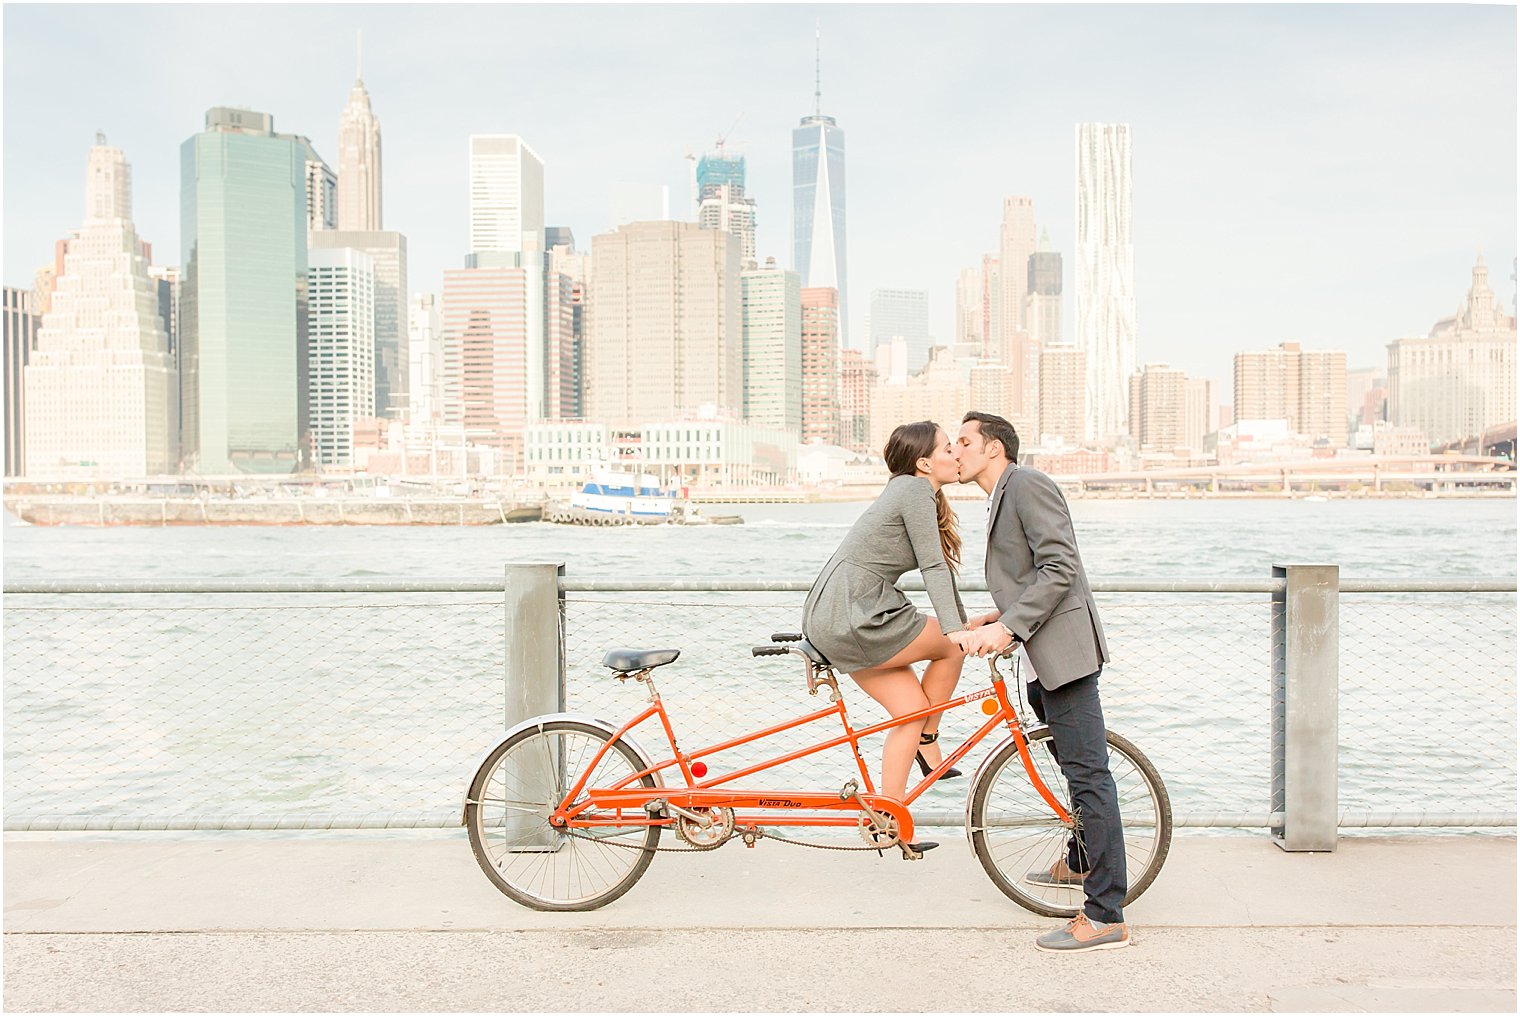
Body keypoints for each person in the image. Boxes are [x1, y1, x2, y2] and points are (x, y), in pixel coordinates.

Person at [950, 411, 1129, 953]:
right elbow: (1030, 576)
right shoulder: (1001, 493)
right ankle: (1079, 864)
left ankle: (1105, 915)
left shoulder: (1027, 484)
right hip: (1041, 656)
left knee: (1089, 778)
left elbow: (1059, 568)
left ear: (994, 449)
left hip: (1064, 658)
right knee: (1075, 773)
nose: (955, 451)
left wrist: (1009, 625)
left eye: (964, 442)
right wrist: (994, 617)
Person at [801, 421, 968, 854]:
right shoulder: (914, 491)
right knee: (950, 647)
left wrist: (963, 624)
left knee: (910, 712)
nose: (956, 455)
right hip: (855, 612)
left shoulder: (909, 491)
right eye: (949, 448)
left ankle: (887, 820)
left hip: (841, 611)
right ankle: (930, 742)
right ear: (925, 462)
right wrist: (958, 630)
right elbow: (934, 568)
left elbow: (936, 572)